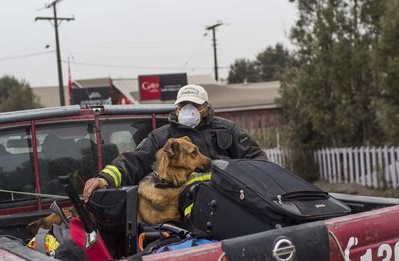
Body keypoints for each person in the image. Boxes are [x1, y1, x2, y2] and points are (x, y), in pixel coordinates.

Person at [83, 84, 266, 201]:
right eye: (183, 105)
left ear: (206, 108)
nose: (188, 110)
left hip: (230, 199)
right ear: (176, 109)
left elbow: (257, 161)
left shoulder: (228, 130)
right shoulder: (161, 137)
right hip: (187, 207)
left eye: (193, 106)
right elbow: (133, 161)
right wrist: (104, 179)